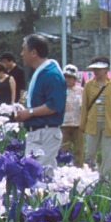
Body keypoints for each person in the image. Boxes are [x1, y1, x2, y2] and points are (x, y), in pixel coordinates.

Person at [12, 34, 66, 167]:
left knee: (40, 177)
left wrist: (29, 112)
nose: (21, 54)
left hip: (45, 134)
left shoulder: (51, 75)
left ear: (34, 53)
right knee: (32, 176)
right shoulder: (41, 73)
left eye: (24, 49)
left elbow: (54, 105)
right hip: (38, 133)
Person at [80, 56, 111, 178]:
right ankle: (90, 177)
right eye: (94, 69)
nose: (96, 71)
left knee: (108, 154)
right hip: (93, 123)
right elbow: (85, 105)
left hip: (109, 123)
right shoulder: (88, 85)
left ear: (106, 69)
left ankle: (106, 179)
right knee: (90, 153)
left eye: (99, 69)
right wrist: (82, 124)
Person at [60, 64, 84, 166]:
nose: (67, 79)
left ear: (75, 78)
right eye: (65, 77)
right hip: (63, 123)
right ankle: (62, 168)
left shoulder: (81, 90)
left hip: (78, 124)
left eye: (70, 77)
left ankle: (79, 168)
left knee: (79, 149)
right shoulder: (59, 90)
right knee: (63, 148)